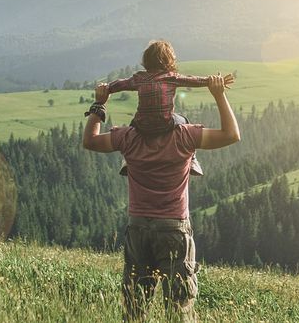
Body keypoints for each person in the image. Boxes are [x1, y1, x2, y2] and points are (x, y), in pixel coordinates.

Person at [82, 73, 240, 322]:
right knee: (179, 310)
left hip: (138, 228)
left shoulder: (128, 137)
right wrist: (219, 94)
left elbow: (89, 141)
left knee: (134, 310)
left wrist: (99, 105)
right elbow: (231, 134)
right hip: (174, 228)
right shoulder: (184, 135)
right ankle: (192, 161)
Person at [103, 39, 234, 177]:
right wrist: (214, 81)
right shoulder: (171, 77)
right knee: (184, 120)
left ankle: (126, 160)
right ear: (169, 60)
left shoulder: (139, 78)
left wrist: (107, 88)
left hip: (142, 126)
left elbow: (120, 84)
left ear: (146, 60)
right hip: (166, 124)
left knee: (132, 125)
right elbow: (194, 80)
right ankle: (193, 159)